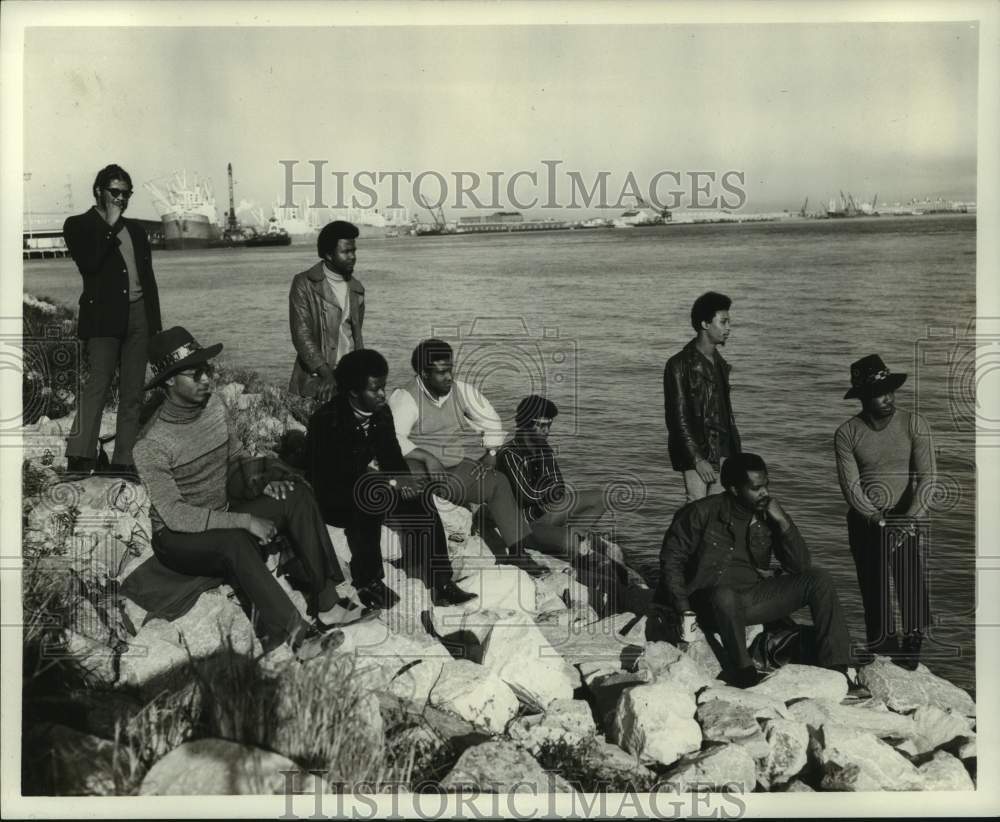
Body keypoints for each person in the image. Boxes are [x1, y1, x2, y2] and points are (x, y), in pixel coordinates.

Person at [133, 326, 356, 662]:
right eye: (196, 374)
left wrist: (260, 481)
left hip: (222, 506)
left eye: (208, 369)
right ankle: (297, 636)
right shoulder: (151, 443)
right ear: (168, 382)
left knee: (294, 494)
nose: (207, 379)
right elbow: (175, 515)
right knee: (234, 540)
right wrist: (245, 520)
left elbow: (236, 457)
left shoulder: (214, 407)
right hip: (177, 537)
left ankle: (327, 604)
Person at [656, 452, 852, 688]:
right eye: (756, 488)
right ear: (734, 489)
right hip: (706, 603)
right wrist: (683, 610)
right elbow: (671, 561)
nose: (765, 493)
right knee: (724, 595)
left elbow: (799, 566)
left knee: (819, 579)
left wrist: (784, 523)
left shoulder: (767, 513)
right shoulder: (701, 512)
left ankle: (838, 670)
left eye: (766, 485)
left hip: (751, 598)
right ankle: (743, 672)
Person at [306, 349, 478, 610]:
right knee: (369, 495)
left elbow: (391, 458)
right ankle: (369, 581)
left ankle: (442, 582)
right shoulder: (327, 421)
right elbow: (342, 473)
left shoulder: (380, 414)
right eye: (374, 390)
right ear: (353, 392)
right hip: (334, 496)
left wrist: (403, 481)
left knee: (421, 497)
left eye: (383, 387)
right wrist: (393, 483)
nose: (381, 395)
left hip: (368, 484)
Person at [388, 339, 534, 566]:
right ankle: (417, 555)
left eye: (450, 370)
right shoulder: (405, 397)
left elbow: (491, 420)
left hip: (453, 470)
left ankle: (519, 553)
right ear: (424, 374)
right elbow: (391, 438)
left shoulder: (461, 390)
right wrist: (427, 457)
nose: (448, 377)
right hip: (418, 471)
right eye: (441, 372)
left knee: (498, 483)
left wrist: (492, 452)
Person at [835, 354, 936, 669]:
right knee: (872, 582)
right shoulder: (847, 433)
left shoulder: (914, 423)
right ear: (863, 397)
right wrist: (877, 519)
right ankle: (882, 644)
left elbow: (928, 477)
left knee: (909, 575)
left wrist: (910, 518)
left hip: (906, 513)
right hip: (866, 518)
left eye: (891, 390)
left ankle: (914, 640)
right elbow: (851, 488)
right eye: (880, 392)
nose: (888, 397)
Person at [63, 164, 162, 476]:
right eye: (115, 192)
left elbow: (149, 280)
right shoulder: (77, 225)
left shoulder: (136, 231)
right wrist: (110, 223)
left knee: (134, 392)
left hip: (139, 316)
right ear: (98, 192)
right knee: (98, 385)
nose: (121, 198)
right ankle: (80, 457)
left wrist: (155, 327)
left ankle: (124, 460)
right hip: (103, 317)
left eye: (126, 194)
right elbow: (90, 263)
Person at [497, 394, 624, 565]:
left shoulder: (543, 447)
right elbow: (528, 494)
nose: (547, 431)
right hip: (524, 524)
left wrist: (548, 491)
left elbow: (559, 486)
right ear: (526, 423)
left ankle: (574, 537)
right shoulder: (509, 454)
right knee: (568, 540)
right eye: (541, 425)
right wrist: (549, 491)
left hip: (546, 511)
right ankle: (568, 556)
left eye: (549, 425)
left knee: (602, 496)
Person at [663, 291, 741, 502]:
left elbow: (725, 415)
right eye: (723, 322)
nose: (728, 328)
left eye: (728, 322)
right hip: (698, 455)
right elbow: (677, 419)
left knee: (718, 516)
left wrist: (735, 455)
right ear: (705, 324)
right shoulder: (679, 365)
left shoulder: (720, 363)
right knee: (696, 513)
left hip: (725, 453)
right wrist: (697, 459)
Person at [288, 221, 364, 404]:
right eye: (346, 252)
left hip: (349, 381)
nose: (352, 257)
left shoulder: (357, 289)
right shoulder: (304, 284)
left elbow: (355, 338)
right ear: (329, 254)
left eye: (354, 251)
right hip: (316, 383)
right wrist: (327, 375)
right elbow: (301, 336)